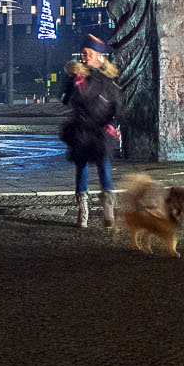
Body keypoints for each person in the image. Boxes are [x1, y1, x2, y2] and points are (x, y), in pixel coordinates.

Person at [59, 34, 122, 227]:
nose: (84, 57)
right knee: (82, 169)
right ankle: (82, 211)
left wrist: (114, 124)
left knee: (104, 167)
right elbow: (64, 99)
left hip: (101, 130)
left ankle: (108, 211)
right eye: (83, 53)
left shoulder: (107, 79)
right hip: (81, 130)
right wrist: (73, 85)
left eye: (88, 53)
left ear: (99, 56)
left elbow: (117, 105)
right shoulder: (76, 76)